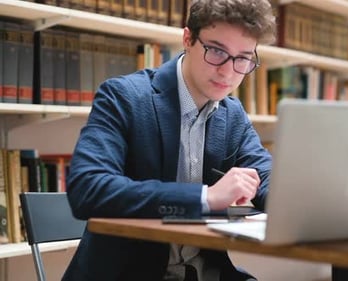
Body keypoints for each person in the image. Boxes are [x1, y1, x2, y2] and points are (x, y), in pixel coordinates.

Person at [62, 0, 276, 280]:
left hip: (205, 272)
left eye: (243, 58)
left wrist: (292, 202)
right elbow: (88, 189)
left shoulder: (232, 113)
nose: (228, 71)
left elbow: (265, 174)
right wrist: (206, 197)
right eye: (216, 51)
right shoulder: (123, 97)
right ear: (187, 39)